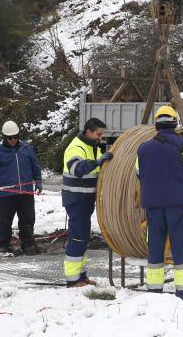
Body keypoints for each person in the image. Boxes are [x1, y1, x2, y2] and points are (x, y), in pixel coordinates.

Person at [136, 106, 183, 302]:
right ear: (175, 124)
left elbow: (138, 173)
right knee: (180, 246)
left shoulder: (143, 148)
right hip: (176, 205)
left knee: (155, 245)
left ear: (156, 124)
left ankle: (155, 291)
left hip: (153, 206)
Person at [62, 117, 113, 288]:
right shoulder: (76, 147)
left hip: (84, 200)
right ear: (89, 131)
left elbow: (98, 170)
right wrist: (98, 162)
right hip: (76, 200)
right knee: (77, 238)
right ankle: (73, 279)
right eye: (98, 134)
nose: (100, 138)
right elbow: (77, 169)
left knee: (82, 238)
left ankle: (81, 276)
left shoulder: (92, 147)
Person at [0, 121, 43, 255]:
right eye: (10, 138)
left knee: (27, 219)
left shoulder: (26, 148)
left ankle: (27, 244)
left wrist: (38, 181)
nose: (13, 140)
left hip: (26, 192)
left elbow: (35, 165)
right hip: (6, 194)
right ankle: (3, 244)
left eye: (15, 137)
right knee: (4, 220)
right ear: (4, 137)